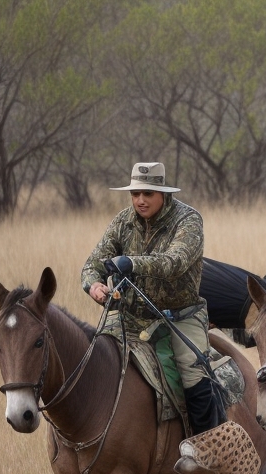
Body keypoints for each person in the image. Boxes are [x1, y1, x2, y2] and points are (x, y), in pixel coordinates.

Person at [81, 162, 221, 436]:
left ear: (163, 193)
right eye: (135, 194)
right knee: (89, 358)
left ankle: (209, 445)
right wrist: (94, 286)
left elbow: (175, 262)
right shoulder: (123, 221)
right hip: (128, 318)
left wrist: (131, 263)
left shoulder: (189, 220)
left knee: (194, 376)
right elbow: (92, 264)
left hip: (180, 317)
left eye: (147, 193)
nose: (140, 200)